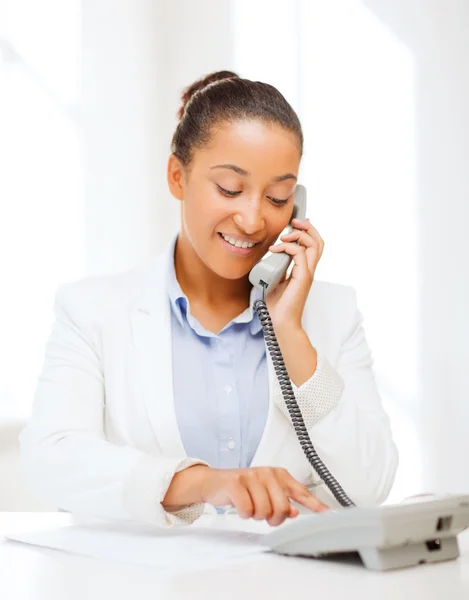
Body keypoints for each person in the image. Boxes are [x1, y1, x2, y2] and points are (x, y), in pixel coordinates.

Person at [20, 71, 398, 528]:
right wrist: (203, 482)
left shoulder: (333, 316)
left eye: (278, 197)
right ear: (177, 176)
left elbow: (369, 485)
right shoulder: (92, 311)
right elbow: (51, 458)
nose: (254, 219)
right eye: (230, 189)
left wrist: (291, 335)